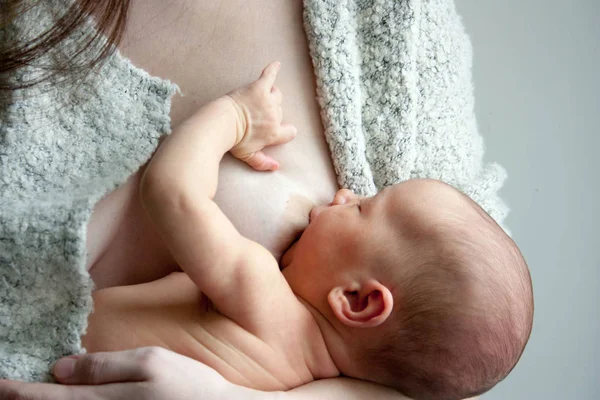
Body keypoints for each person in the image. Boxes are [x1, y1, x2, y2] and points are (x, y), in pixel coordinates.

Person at [0, 1, 530, 399]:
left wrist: (234, 116)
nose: (345, 193)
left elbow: (171, 191)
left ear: (358, 301)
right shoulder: (299, 376)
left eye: (364, 208)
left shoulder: (263, 292)